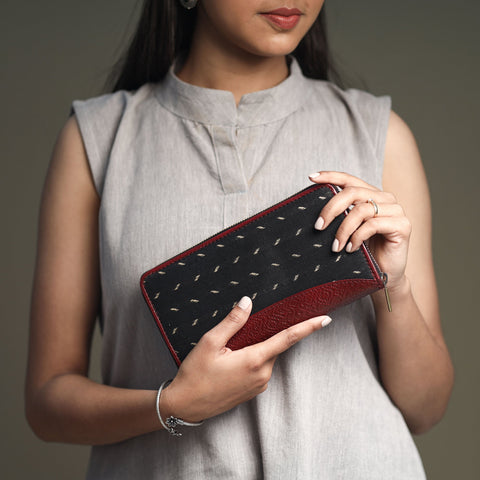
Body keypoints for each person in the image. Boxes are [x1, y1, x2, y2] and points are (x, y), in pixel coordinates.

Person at [25, 0, 454, 478]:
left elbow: (425, 408)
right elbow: (47, 402)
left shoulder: (379, 134)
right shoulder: (96, 140)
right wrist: (173, 405)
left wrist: (395, 286)